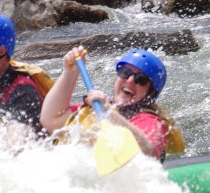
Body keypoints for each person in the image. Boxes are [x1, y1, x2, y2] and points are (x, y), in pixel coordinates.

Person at [40, 46, 185, 161]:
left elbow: (147, 151)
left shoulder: (150, 121)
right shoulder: (96, 108)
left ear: (150, 93)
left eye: (141, 79)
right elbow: (51, 120)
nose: (129, 81)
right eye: (125, 72)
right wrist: (70, 72)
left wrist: (108, 113)